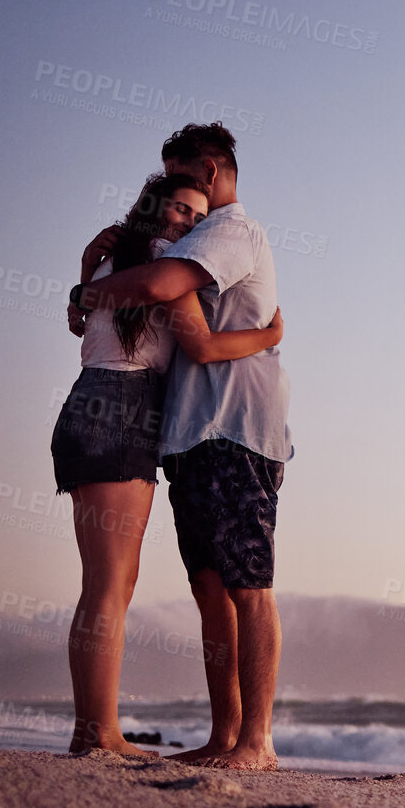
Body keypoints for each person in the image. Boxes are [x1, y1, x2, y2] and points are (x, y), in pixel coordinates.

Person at [72, 123, 291, 770]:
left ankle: (257, 741)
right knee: (208, 589)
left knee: (248, 584)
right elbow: (178, 332)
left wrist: (88, 290)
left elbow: (164, 296)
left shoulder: (230, 231)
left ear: (214, 171)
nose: (180, 203)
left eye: (189, 187)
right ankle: (225, 735)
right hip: (186, 434)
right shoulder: (176, 241)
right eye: (170, 196)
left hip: (234, 429)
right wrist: (87, 282)